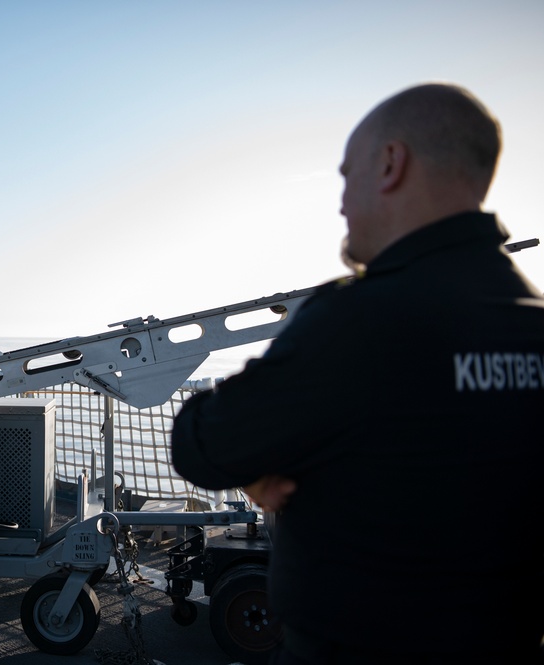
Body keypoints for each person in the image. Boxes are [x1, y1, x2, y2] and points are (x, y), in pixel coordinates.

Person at [171, 83, 544, 664]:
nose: (342, 203)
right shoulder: (532, 323)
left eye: (348, 176)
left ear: (392, 163)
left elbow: (200, 446)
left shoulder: (358, 319)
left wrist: (266, 461)